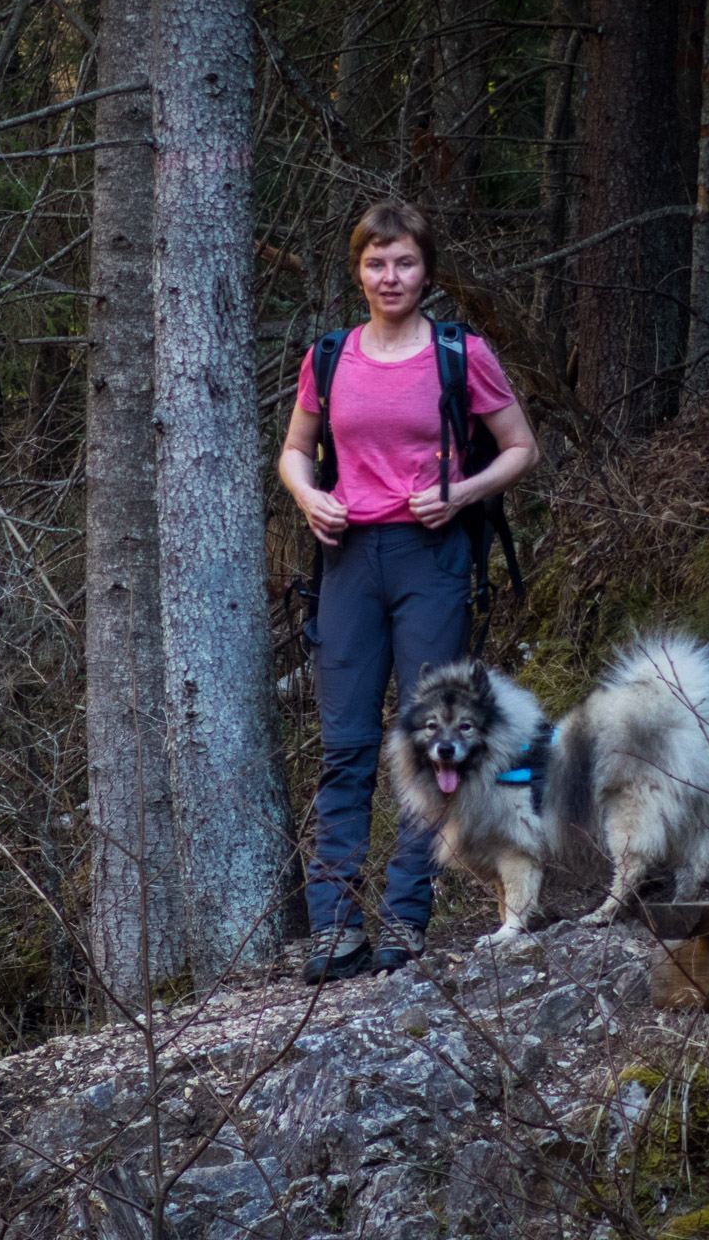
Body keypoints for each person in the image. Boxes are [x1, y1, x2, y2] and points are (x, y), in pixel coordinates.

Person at [277, 201, 540, 982]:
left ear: (427, 270)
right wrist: (308, 496)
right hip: (348, 562)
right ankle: (334, 929)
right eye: (375, 263)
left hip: (433, 561)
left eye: (405, 263)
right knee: (347, 748)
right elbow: (294, 450)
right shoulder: (330, 356)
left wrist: (462, 493)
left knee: (432, 745)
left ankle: (403, 920)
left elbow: (521, 447)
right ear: (358, 271)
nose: (390, 277)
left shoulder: (462, 354)